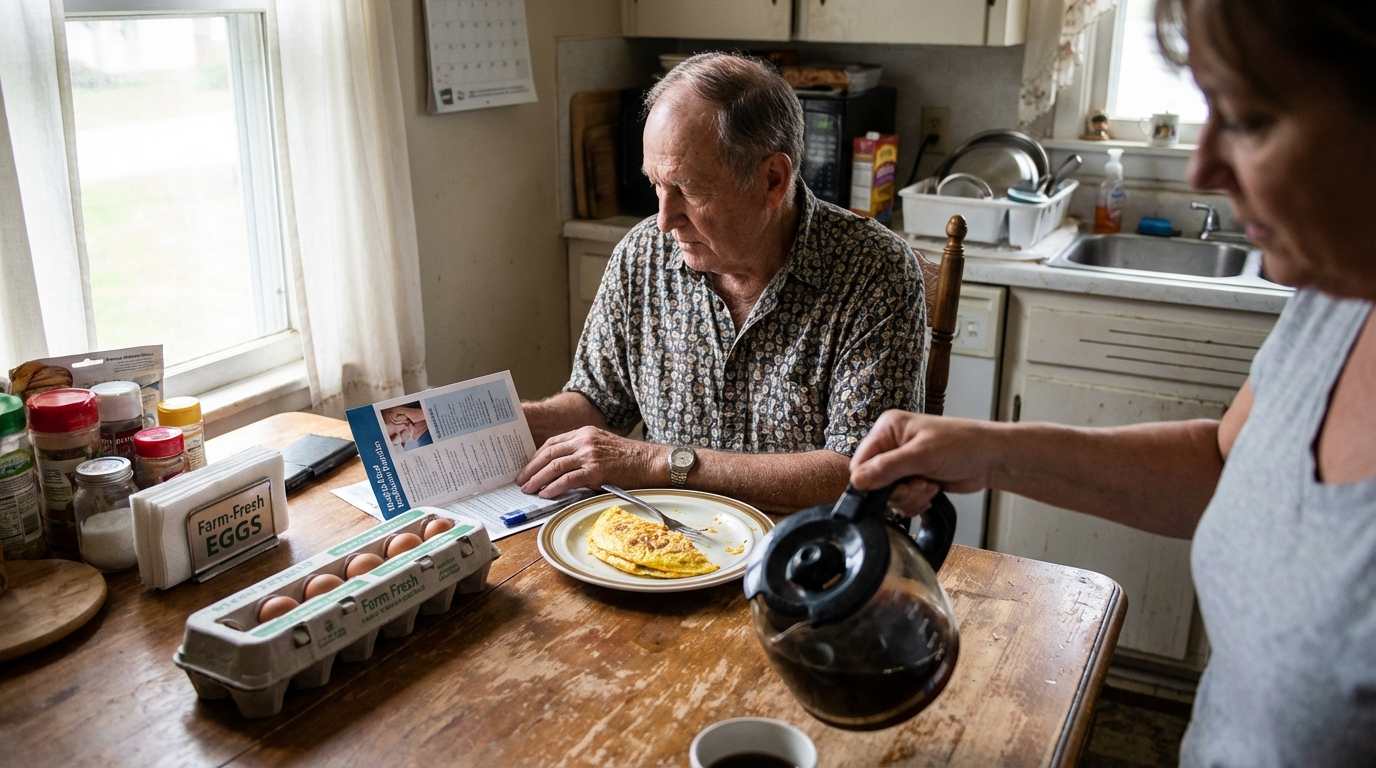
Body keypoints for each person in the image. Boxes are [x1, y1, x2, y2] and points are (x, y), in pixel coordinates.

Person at [849, 1, 1376, 764]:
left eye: (1253, 120)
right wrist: (988, 450)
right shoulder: (1337, 300)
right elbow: (1225, 466)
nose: (1204, 169)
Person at [518, 53, 925, 513]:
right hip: (669, 547)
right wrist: (507, 424)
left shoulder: (873, 271)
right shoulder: (643, 256)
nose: (664, 221)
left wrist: (659, 463)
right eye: (656, 185)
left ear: (773, 180)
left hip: (810, 558)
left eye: (688, 189)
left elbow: (859, 472)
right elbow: (598, 401)